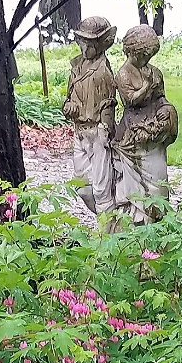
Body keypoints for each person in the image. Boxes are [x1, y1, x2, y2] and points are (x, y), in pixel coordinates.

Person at [112, 24, 179, 222]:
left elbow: (161, 98)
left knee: (159, 180)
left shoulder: (155, 72)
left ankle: (158, 221)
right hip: (134, 131)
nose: (146, 60)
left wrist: (167, 110)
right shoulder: (123, 74)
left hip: (154, 131)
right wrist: (146, 87)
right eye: (142, 55)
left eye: (148, 56)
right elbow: (130, 101)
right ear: (131, 51)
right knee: (134, 190)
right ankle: (136, 221)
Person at [62, 15, 118, 218]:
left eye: (90, 44)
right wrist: (69, 107)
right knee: (82, 186)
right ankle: (108, 221)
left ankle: (107, 232)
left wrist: (105, 129)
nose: (85, 49)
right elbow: (68, 98)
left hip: (98, 133)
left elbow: (109, 102)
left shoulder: (103, 71)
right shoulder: (76, 68)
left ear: (102, 44)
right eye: (82, 43)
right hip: (80, 133)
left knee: (102, 189)